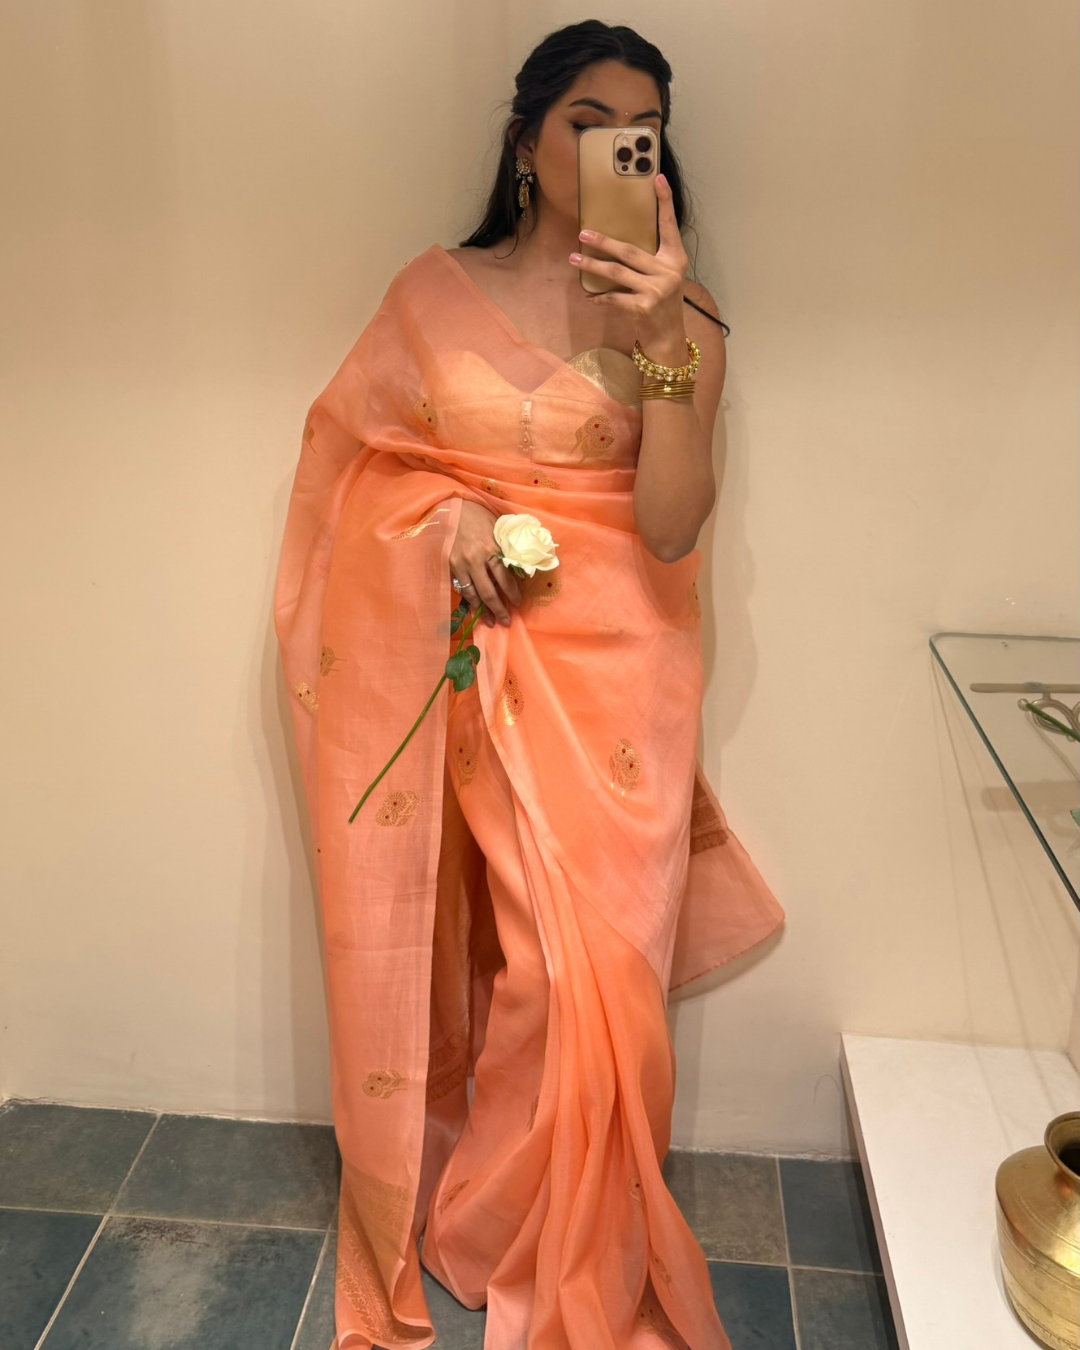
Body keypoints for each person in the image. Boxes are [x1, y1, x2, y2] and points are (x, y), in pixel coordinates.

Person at [273, 20, 786, 1350]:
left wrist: (663, 339)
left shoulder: (685, 317)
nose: (618, 148)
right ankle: (499, 1223)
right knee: (526, 966)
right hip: (489, 665)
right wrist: (437, 518)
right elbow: (354, 467)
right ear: (524, 140)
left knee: (598, 978)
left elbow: (669, 526)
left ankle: (560, 1229)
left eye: (642, 132)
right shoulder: (432, 292)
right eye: (587, 123)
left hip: (628, 680)